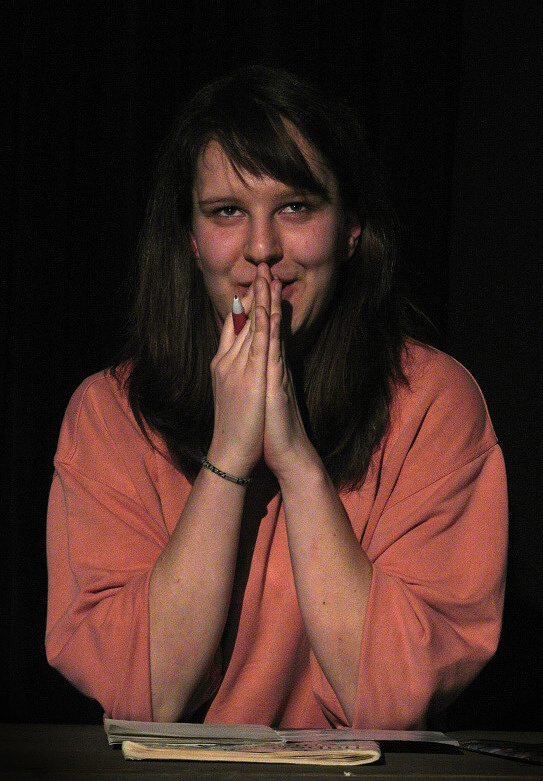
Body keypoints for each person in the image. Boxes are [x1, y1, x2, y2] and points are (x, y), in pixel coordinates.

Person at [45, 65, 507, 729]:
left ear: (350, 229)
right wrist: (229, 455)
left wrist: (294, 459)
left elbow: (395, 697)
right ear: (192, 240)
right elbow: (144, 697)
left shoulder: (432, 401)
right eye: (226, 212)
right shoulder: (110, 413)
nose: (262, 249)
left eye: (295, 207)